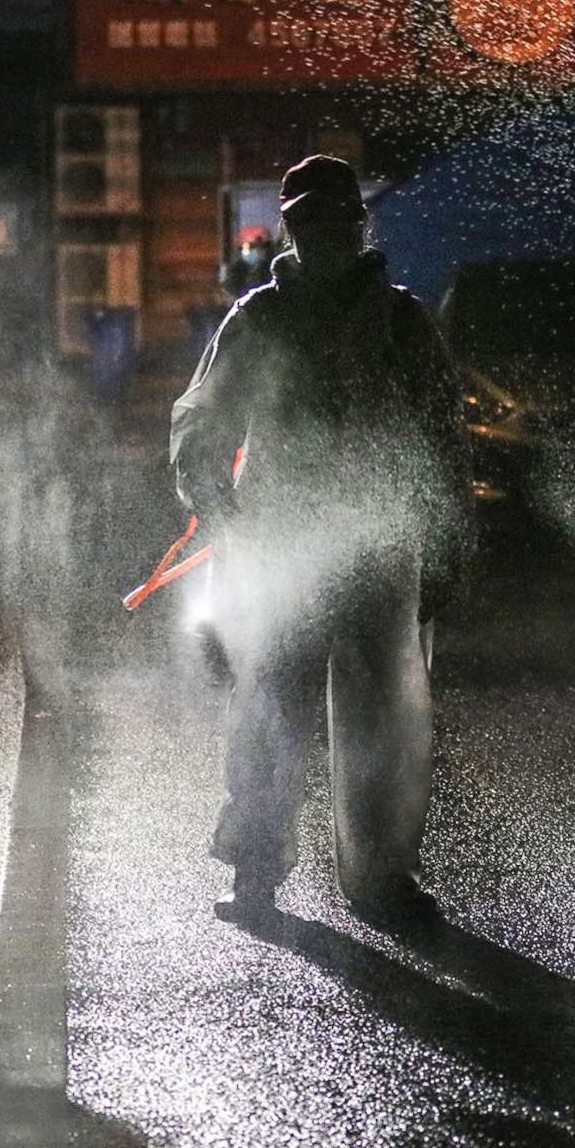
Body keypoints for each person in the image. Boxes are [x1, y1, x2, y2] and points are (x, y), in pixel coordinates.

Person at [171, 154, 471, 928]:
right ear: (289, 229)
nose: (323, 235)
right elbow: (205, 418)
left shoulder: (404, 324)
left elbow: (442, 443)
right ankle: (256, 870)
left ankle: (382, 877)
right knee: (271, 703)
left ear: (358, 225)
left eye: (335, 220)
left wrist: (443, 546)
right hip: (282, 549)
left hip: (378, 551)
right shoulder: (259, 319)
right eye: (308, 223)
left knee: (384, 721)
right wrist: (216, 502)